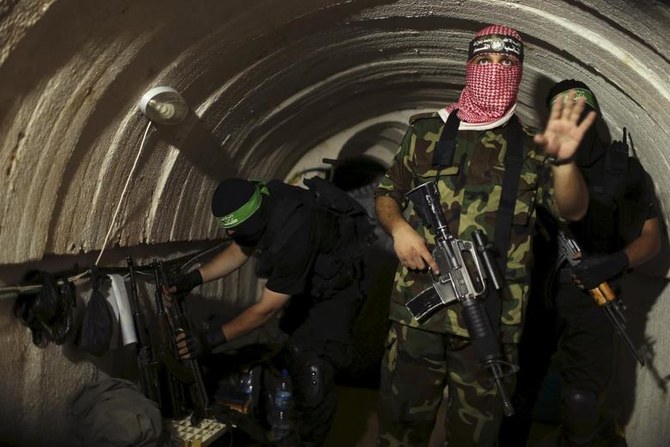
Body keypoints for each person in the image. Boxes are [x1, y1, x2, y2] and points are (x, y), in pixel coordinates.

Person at [374, 25, 596, 446]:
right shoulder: (427, 133)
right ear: (468, 66)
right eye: (485, 61)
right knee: (401, 426)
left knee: (477, 434)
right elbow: (388, 193)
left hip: (493, 319)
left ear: (519, 72)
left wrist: (565, 162)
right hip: (418, 313)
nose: (495, 71)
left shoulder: (532, 148)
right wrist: (399, 228)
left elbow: (573, 210)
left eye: (507, 63)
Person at [498, 80, 662, 447]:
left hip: (595, 298)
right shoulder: (533, 161)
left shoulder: (624, 169)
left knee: (581, 399)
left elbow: (651, 237)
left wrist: (615, 261)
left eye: (581, 110)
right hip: (533, 294)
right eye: (564, 110)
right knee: (514, 390)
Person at [169, 176, 374, 446]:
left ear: (254, 217)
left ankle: (309, 441)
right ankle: (285, 426)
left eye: (236, 228)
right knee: (292, 351)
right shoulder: (262, 200)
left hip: (337, 294)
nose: (231, 234)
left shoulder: (294, 231)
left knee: (315, 370)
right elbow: (240, 248)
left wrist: (211, 339)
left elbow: (265, 310)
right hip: (310, 284)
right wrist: (194, 278)